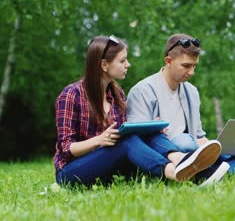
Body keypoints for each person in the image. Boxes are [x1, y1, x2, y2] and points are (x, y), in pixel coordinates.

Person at [53, 35, 223, 186]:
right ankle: (176, 171)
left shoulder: (117, 93)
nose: (128, 64)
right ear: (104, 64)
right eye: (122, 61)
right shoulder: (71, 94)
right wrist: (99, 140)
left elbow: (125, 133)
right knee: (128, 142)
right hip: (72, 171)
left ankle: (181, 160)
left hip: (109, 166)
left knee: (146, 132)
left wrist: (149, 128)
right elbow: (66, 148)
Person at [126, 33, 235, 176]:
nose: (191, 72)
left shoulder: (191, 91)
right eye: (186, 66)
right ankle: (224, 169)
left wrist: (213, 147)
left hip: (196, 149)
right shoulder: (143, 90)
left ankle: (226, 171)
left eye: (194, 66)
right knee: (184, 141)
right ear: (168, 61)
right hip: (171, 153)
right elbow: (137, 140)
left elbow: (198, 135)